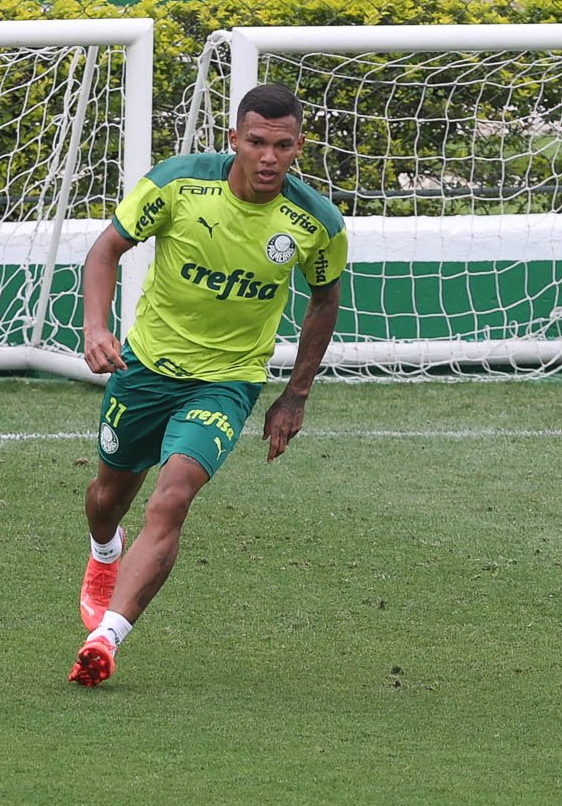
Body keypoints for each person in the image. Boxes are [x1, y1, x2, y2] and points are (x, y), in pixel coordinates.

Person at [68, 83, 348, 687]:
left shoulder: (317, 223)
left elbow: (324, 300)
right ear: (234, 139)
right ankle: (104, 552)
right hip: (144, 370)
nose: (269, 157)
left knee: (172, 497)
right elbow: (106, 250)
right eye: (257, 142)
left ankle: (105, 639)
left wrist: (295, 394)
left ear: (299, 147)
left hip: (226, 383)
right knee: (108, 498)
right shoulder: (178, 183)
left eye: (282, 146)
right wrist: (95, 327)